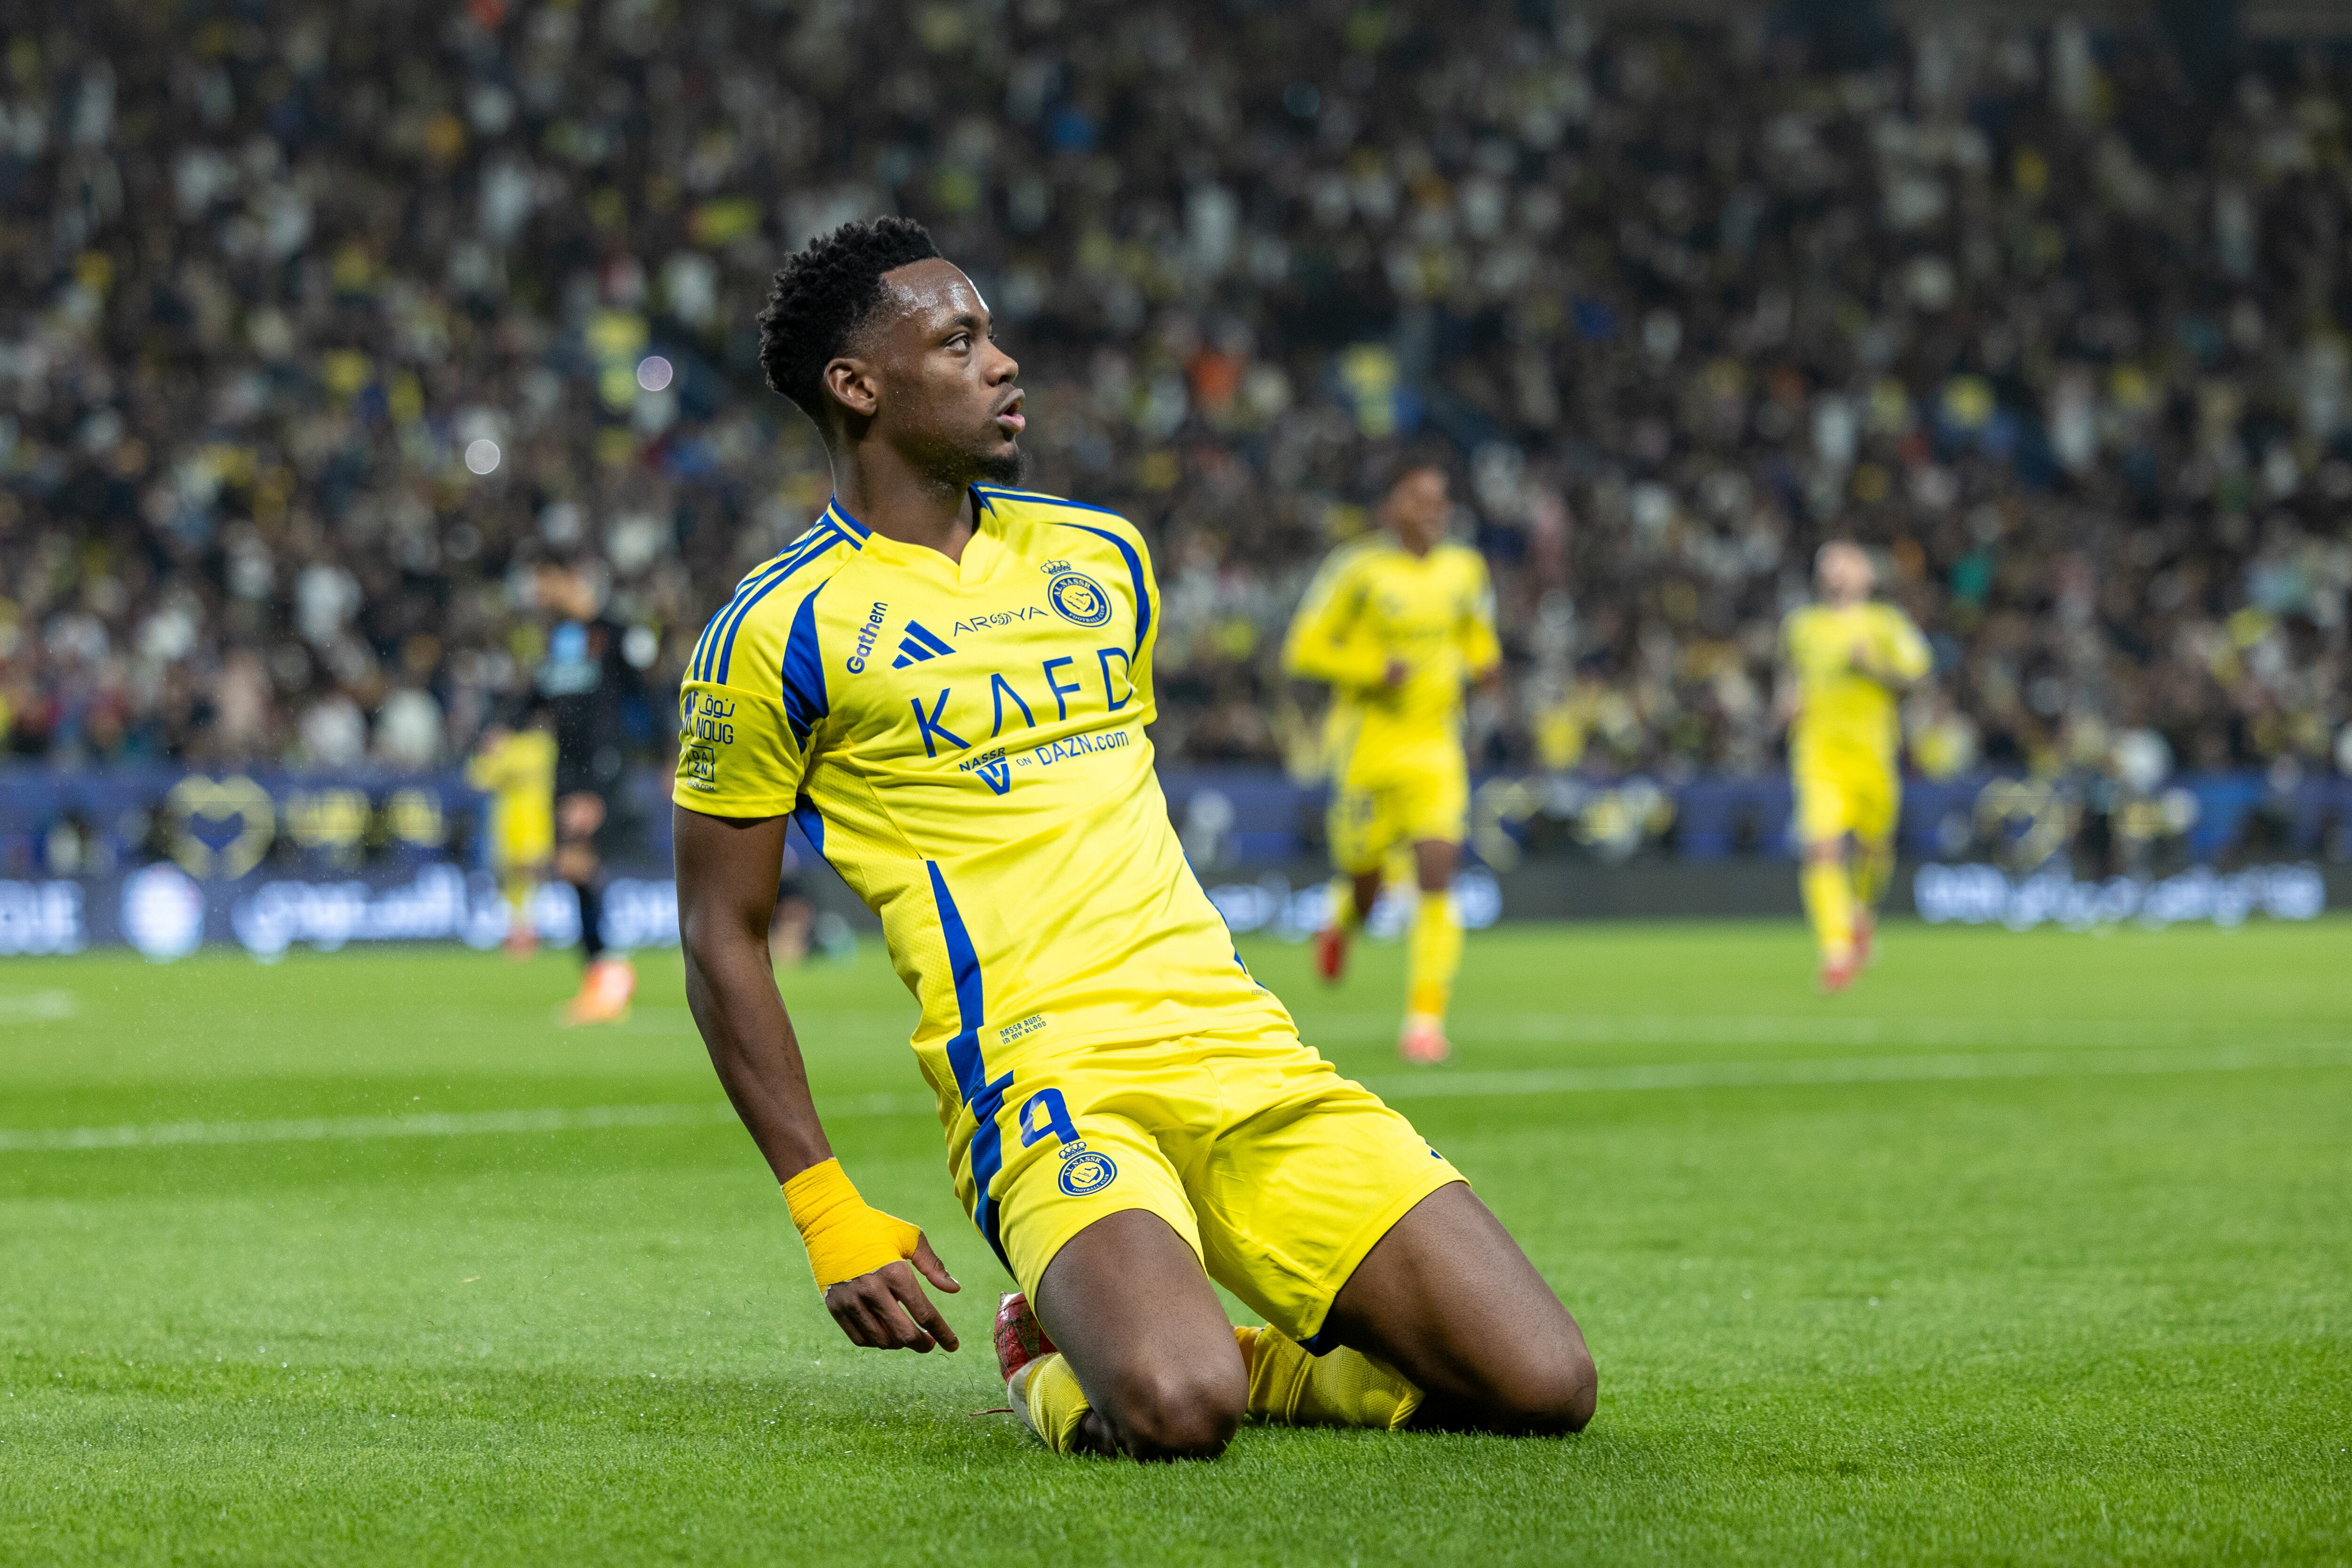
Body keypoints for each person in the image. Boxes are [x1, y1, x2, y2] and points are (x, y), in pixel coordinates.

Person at [672, 217, 1594, 1460]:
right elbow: (719, 930)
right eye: (959, 342)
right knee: (1173, 1406)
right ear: (858, 385)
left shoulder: (1102, 558)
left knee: (1544, 1383)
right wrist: (825, 1207)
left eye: (993, 335)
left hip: (1236, 1042)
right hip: (1043, 1075)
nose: (1003, 362)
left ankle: (1257, 1357)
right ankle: (1052, 1360)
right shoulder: (773, 631)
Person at [1281, 463, 1500, 1064]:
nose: (1432, 509)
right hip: (1366, 751)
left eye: (1440, 499)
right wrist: (1373, 671)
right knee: (1368, 885)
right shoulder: (1357, 571)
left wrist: (1486, 663)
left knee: (1438, 871)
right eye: (1418, 499)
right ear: (1390, 508)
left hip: (1435, 748)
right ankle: (1341, 918)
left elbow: (1477, 631)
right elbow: (1303, 647)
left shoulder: (1466, 569)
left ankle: (1424, 1023)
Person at [1777, 541, 1932, 993]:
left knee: (1874, 848)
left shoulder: (1887, 623)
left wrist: (1873, 667)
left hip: (1873, 753)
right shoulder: (1802, 626)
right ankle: (1837, 951)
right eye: (1828, 565)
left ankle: (1861, 912)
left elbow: (1917, 679)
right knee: (1821, 847)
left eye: (1846, 564)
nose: (1836, 572)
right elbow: (1790, 673)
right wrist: (1787, 701)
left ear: (1867, 576)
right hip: (1819, 753)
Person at [537, 561, 647, 1024]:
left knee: (578, 865)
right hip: (564, 767)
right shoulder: (559, 636)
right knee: (573, 870)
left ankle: (609, 972)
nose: (540, 591)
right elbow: (544, 693)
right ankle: (603, 974)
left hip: (595, 769)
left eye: (546, 580)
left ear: (572, 581)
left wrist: (600, 781)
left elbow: (637, 694)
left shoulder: (611, 634)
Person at [464, 698, 557, 959]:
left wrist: (496, 751)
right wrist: (489, 753)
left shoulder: (534, 748)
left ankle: (527, 934)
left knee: (529, 876)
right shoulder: (520, 748)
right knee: (514, 881)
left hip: (534, 822)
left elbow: (488, 775)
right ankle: (519, 933)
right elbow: (477, 780)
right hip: (508, 825)